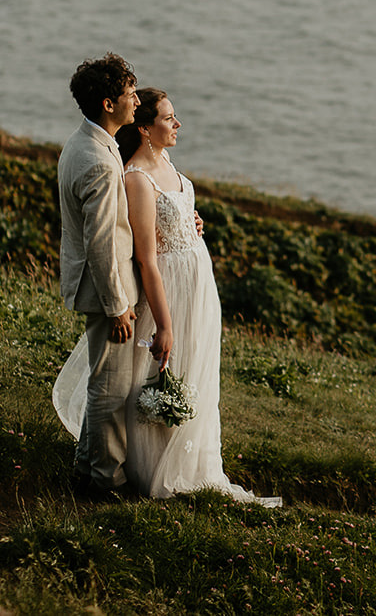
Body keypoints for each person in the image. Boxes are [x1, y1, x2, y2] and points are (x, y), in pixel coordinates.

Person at [55, 87, 281, 506]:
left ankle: (192, 460)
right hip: (168, 291)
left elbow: (173, 211)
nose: (177, 125)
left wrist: (190, 221)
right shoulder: (134, 178)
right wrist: (166, 323)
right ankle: (142, 468)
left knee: (194, 371)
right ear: (144, 129)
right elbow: (147, 259)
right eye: (169, 118)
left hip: (197, 285)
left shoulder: (166, 161)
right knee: (148, 375)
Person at [54, 53, 141, 500]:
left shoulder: (81, 142)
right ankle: (106, 481)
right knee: (112, 389)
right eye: (130, 94)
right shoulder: (101, 163)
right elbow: (103, 241)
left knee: (102, 381)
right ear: (108, 104)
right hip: (105, 287)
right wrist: (118, 305)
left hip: (91, 281)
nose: (137, 101)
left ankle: (86, 467)